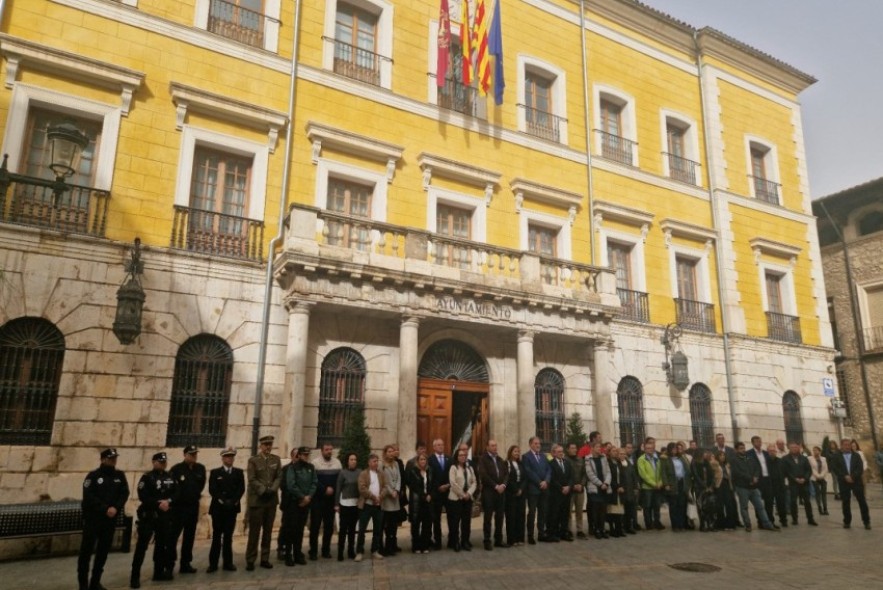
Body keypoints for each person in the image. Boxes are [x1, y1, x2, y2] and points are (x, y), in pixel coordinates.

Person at [79, 448, 129, 590]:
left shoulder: (119, 475)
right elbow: (88, 496)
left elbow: (124, 494)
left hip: (110, 519)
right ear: (103, 459)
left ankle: (95, 582)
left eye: (114, 458)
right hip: (94, 519)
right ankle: (83, 584)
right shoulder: (93, 476)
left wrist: (116, 508)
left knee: (103, 552)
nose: (113, 460)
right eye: (110, 458)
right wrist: (105, 508)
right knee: (86, 552)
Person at [130, 452, 177, 589]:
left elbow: (176, 492)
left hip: (163, 517)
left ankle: (158, 572)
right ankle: (135, 576)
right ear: (154, 462)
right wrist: (158, 504)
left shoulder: (170, 477)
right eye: (160, 461)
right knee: (142, 546)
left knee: (161, 545)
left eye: (164, 462)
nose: (163, 464)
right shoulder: (147, 477)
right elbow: (143, 496)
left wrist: (168, 501)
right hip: (149, 516)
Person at [245, 435, 282, 571]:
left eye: (270, 444)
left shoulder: (276, 460)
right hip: (258, 501)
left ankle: (265, 558)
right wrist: (262, 489)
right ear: (261, 446)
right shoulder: (253, 461)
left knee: (267, 532)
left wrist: (272, 489)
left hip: (271, 500)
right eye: (265, 445)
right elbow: (252, 478)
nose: (268, 447)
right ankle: (250, 559)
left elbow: (279, 476)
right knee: (254, 532)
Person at [207, 447, 245, 573]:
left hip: (231, 509)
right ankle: (213, 564)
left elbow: (241, 489)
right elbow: (213, 489)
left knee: (228, 537)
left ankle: (228, 563)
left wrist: (233, 501)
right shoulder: (215, 472)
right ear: (223, 458)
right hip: (218, 508)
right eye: (227, 456)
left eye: (232, 456)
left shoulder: (238, 472)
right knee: (217, 536)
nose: (230, 458)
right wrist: (223, 500)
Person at [169, 445, 206, 574]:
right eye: (191, 454)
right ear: (185, 455)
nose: (193, 456)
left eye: (195, 454)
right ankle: (169, 564)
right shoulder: (176, 469)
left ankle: (185, 563)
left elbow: (200, 486)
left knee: (189, 537)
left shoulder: (200, 469)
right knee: (173, 537)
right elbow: (172, 488)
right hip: (178, 508)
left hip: (192, 507)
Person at [731, 442, 778, 532]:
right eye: (741, 448)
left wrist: (756, 477)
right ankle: (747, 524)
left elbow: (757, 468)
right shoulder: (734, 460)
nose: (743, 450)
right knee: (744, 507)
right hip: (742, 487)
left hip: (754, 487)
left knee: (760, 506)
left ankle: (767, 524)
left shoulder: (750, 458)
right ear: (736, 450)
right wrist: (750, 478)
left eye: (744, 448)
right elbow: (737, 473)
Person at [282, 446, 317, 566]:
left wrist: (309, 497)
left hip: (306, 503)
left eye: (308, 455)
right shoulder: (292, 468)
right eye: (304, 455)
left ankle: (297, 554)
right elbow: (291, 485)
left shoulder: (311, 468)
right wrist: (302, 497)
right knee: (291, 529)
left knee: (300, 530)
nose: (306, 457)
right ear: (299, 456)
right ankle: (288, 555)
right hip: (294, 503)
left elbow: (314, 483)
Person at [309, 443, 341, 560]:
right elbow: (313, 481)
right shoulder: (315, 463)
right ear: (321, 451)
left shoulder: (337, 463)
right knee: (315, 526)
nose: (329, 451)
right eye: (326, 449)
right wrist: (324, 489)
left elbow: (339, 480)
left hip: (331, 501)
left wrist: (333, 490)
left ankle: (325, 550)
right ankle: (313, 551)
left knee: (329, 527)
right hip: (318, 500)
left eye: (331, 449)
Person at [831, 438, 871, 530]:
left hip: (856, 481)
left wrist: (852, 477)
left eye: (849, 444)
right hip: (843, 482)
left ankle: (866, 522)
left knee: (862, 501)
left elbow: (860, 468)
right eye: (845, 444)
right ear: (841, 446)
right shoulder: (836, 456)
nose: (847, 446)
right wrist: (845, 476)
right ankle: (847, 521)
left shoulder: (856, 455)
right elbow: (835, 468)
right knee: (845, 502)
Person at [355, 453, 388, 561]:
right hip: (366, 505)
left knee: (377, 530)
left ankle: (375, 550)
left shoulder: (381, 474)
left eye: (377, 461)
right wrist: (373, 497)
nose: (376, 463)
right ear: (369, 463)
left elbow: (385, 487)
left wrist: (380, 497)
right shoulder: (363, 474)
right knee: (362, 530)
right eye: (374, 461)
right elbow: (362, 488)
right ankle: (359, 551)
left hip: (378, 506)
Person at [478, 439, 509, 549]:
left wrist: (503, 485)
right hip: (489, 492)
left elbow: (506, 474)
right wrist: (495, 486)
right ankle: (487, 541)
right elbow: (483, 475)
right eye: (492, 446)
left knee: (500, 517)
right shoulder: (483, 459)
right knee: (488, 517)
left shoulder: (500, 460)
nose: (495, 447)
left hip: (501, 492)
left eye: (496, 445)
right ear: (487, 447)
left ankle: (498, 540)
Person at [522, 436, 551, 543]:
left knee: (543, 512)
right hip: (533, 489)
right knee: (532, 512)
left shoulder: (544, 456)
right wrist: (539, 482)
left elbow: (549, 469)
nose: (538, 445)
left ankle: (541, 533)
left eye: (539, 443)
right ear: (530, 444)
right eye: (535, 443)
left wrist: (546, 481)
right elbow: (529, 472)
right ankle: (530, 535)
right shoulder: (526, 457)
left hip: (544, 489)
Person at [447, 447, 476, 551]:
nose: (463, 457)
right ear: (457, 457)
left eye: (464, 455)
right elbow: (453, 484)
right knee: (455, 522)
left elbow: (474, 482)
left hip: (468, 499)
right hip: (456, 499)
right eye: (460, 455)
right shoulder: (453, 468)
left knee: (466, 522)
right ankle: (455, 542)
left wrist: (468, 493)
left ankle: (465, 541)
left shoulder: (470, 468)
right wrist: (462, 494)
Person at [781, 442, 817, 526]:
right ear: (789, 448)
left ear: (799, 448)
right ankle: (794, 519)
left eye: (796, 447)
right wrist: (794, 479)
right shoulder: (785, 459)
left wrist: (805, 478)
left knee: (807, 501)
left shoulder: (804, 458)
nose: (794, 449)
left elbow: (809, 470)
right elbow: (785, 471)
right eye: (792, 447)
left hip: (804, 483)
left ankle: (810, 519)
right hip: (793, 483)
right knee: (793, 501)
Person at [334, 452, 361, 561]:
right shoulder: (343, 473)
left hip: (355, 504)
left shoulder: (360, 472)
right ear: (347, 461)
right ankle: (340, 552)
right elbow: (338, 489)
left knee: (352, 530)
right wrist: (336, 504)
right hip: (344, 504)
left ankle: (351, 550)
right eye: (351, 459)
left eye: (355, 459)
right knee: (343, 530)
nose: (353, 461)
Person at [406, 453, 434, 554]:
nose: (423, 461)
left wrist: (430, 494)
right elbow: (414, 486)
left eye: (424, 459)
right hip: (417, 502)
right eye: (421, 459)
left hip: (428, 501)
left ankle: (425, 546)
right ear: (418, 461)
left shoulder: (430, 471)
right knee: (416, 525)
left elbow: (432, 484)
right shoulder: (413, 471)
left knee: (427, 524)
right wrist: (424, 495)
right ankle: (416, 546)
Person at [661, 441, 692, 531]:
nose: (675, 450)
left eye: (676, 448)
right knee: (674, 505)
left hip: (682, 483)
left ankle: (682, 524)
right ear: (670, 449)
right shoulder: (665, 459)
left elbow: (687, 470)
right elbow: (663, 473)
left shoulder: (681, 458)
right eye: (673, 448)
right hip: (672, 483)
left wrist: (689, 482)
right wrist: (666, 484)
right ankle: (675, 525)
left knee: (682, 504)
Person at [427, 439, 450, 550]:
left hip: (448, 492)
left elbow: (452, 473)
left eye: (442, 444)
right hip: (436, 493)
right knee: (436, 519)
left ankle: (452, 540)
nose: (441, 446)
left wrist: (447, 485)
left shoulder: (448, 458)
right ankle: (438, 541)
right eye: (438, 445)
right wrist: (437, 487)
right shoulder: (429, 460)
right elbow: (430, 477)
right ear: (434, 447)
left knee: (451, 517)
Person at [547, 443, 573, 542]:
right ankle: (554, 533)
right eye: (558, 452)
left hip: (567, 493)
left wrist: (569, 487)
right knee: (555, 514)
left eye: (562, 451)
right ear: (554, 453)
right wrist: (561, 488)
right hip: (556, 493)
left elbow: (571, 476)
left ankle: (564, 532)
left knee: (565, 513)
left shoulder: (567, 463)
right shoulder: (551, 463)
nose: (561, 453)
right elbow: (552, 479)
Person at [636, 439, 664, 530]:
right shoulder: (641, 459)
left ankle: (657, 522)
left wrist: (660, 482)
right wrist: (653, 483)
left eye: (651, 448)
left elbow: (661, 472)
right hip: (647, 487)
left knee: (657, 506)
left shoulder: (657, 459)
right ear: (644, 449)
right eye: (648, 448)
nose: (650, 450)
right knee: (647, 506)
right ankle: (648, 523)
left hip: (658, 486)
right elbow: (643, 474)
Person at [380, 444, 403, 556]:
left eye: (392, 451)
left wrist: (397, 490)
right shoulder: (382, 466)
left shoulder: (396, 464)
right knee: (387, 524)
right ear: (385, 453)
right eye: (389, 451)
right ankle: (386, 547)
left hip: (395, 498)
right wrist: (391, 491)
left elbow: (399, 477)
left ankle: (393, 545)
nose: (391, 453)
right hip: (387, 498)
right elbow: (384, 481)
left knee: (394, 524)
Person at [585, 442, 611, 539]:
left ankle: (602, 528)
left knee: (603, 510)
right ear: (592, 448)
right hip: (595, 488)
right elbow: (590, 474)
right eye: (597, 446)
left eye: (600, 447)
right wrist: (600, 484)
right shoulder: (588, 459)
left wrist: (606, 483)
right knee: (595, 510)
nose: (599, 448)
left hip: (604, 487)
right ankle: (596, 529)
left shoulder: (603, 458)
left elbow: (608, 472)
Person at [504, 445, 526, 545]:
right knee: (511, 516)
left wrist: (521, 489)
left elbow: (525, 478)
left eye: (518, 451)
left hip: (521, 493)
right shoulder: (506, 463)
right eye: (515, 451)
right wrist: (516, 489)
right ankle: (511, 539)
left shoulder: (521, 464)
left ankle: (520, 538)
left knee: (520, 516)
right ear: (510, 452)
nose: (517, 453)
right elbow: (508, 478)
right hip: (511, 493)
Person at [564, 442, 586, 539]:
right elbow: (566, 475)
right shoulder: (565, 460)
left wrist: (581, 484)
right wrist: (572, 485)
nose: (574, 450)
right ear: (568, 449)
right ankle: (568, 529)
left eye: (575, 448)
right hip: (570, 490)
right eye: (572, 448)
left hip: (580, 489)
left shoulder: (581, 460)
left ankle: (580, 530)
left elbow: (585, 474)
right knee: (568, 511)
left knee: (579, 511)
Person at [765, 445, 789, 528]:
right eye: (770, 451)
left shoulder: (780, 461)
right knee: (769, 505)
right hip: (769, 486)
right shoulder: (765, 462)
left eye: (774, 451)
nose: (772, 452)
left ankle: (783, 520)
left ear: (776, 452)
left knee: (781, 504)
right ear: (768, 452)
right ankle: (770, 521)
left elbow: (785, 472)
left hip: (780, 486)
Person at [714, 450, 737, 530]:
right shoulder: (715, 465)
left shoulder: (727, 465)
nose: (722, 457)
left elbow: (731, 475)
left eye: (723, 455)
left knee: (729, 504)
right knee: (720, 505)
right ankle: (721, 524)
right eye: (720, 455)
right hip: (719, 485)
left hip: (727, 485)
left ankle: (730, 524)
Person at [606, 447, 626, 537]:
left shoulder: (618, 463)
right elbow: (610, 477)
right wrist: (617, 487)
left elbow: (622, 476)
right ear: (609, 453)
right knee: (612, 510)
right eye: (613, 451)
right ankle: (612, 529)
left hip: (620, 490)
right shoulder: (608, 463)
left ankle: (619, 528)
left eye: (616, 451)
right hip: (612, 490)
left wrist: (622, 486)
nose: (615, 453)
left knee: (619, 510)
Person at [621, 442, 640, 533]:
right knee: (624, 509)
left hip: (631, 489)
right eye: (627, 448)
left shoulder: (630, 462)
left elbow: (634, 475)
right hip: (623, 489)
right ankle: (624, 526)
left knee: (631, 508)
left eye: (631, 448)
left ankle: (630, 525)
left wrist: (635, 487)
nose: (629, 449)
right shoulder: (619, 463)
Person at [810, 446, 829, 516]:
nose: (815, 452)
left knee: (823, 494)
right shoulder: (810, 459)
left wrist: (821, 476)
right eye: (813, 450)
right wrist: (817, 476)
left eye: (816, 450)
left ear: (819, 451)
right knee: (817, 493)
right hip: (814, 478)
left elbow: (825, 468)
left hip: (823, 478)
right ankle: (819, 508)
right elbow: (812, 469)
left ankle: (825, 508)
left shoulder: (824, 459)